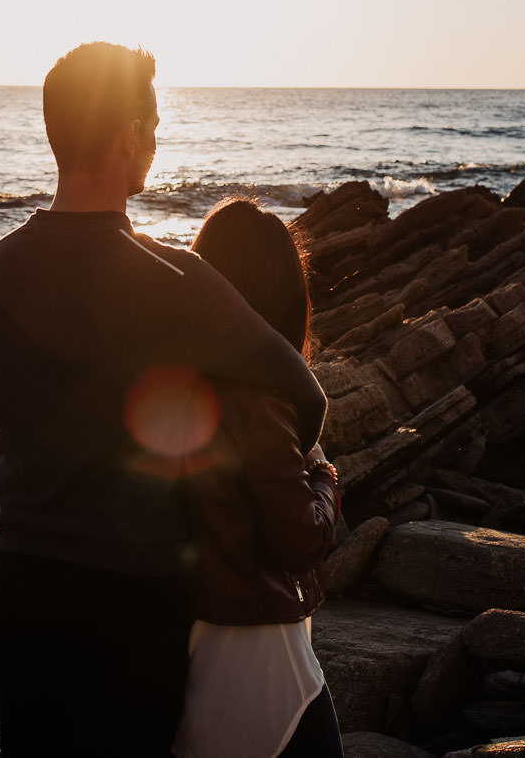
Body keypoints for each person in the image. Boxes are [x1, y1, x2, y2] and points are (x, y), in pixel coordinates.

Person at [0, 42, 329, 756]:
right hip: (132, 598)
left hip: (21, 584)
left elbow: (4, 393)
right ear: (128, 131)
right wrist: (306, 469)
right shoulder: (175, 283)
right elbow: (299, 387)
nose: (156, 141)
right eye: (154, 125)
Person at [175, 198, 343, 758]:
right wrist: (324, 476)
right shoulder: (263, 402)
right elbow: (298, 539)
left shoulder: (170, 383)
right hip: (260, 652)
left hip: (188, 639)